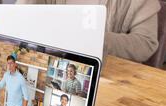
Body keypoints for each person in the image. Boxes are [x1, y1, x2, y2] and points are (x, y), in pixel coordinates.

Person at [16, 0, 161, 63]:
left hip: (109, 79)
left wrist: (97, 40)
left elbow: (145, 43)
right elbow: (18, 18)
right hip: (48, 63)